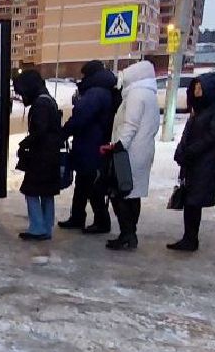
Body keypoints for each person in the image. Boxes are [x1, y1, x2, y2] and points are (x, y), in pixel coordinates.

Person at [101, 59, 161, 251]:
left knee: (122, 193)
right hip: (141, 150)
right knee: (132, 195)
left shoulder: (136, 95)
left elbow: (130, 124)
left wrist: (118, 145)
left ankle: (127, 234)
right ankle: (129, 234)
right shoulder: (149, 94)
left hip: (129, 153)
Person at [168, 72, 215, 252]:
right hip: (192, 161)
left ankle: (190, 239)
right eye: (195, 86)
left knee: (194, 200)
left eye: (200, 87)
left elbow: (214, 136)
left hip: (206, 162)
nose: (196, 90)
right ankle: (189, 237)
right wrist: (181, 150)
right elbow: (188, 133)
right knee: (190, 200)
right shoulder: (198, 109)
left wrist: (190, 151)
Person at [59, 59, 119, 234]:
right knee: (84, 183)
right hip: (94, 143)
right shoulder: (104, 90)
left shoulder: (95, 93)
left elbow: (81, 117)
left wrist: (64, 132)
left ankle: (101, 221)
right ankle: (78, 217)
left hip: (91, 145)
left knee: (92, 185)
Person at [14, 69, 63, 240]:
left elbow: (40, 132)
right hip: (50, 155)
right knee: (46, 192)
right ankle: (46, 226)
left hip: (42, 156)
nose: (22, 97)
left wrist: (24, 144)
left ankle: (37, 227)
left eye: (22, 92)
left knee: (32, 191)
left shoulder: (40, 104)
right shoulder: (48, 100)